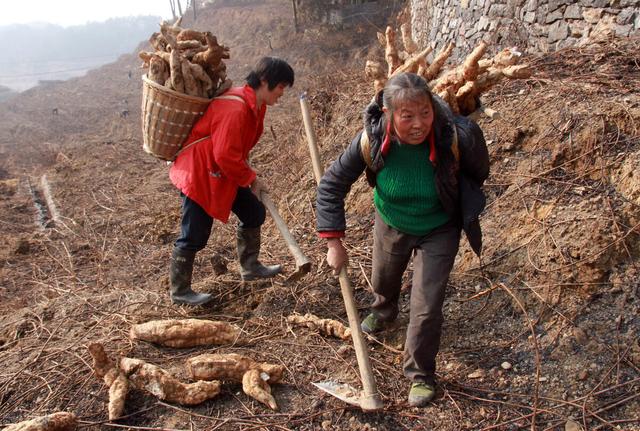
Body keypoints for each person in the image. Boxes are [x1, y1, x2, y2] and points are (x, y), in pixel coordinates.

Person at [316, 73, 489, 407]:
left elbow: (479, 172)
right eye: (406, 116)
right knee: (383, 279)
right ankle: (384, 311)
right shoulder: (371, 137)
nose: (418, 124)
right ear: (388, 114)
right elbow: (332, 184)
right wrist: (334, 242)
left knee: (426, 309)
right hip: (392, 221)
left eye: (424, 113)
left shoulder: (453, 135)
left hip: (439, 226)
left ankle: (420, 374)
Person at [168, 57, 295, 306]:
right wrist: (250, 178)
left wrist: (248, 174)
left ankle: (250, 267)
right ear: (265, 81)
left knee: (253, 211)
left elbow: (235, 151)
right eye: (281, 86)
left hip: (222, 172)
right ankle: (180, 290)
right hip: (200, 172)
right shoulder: (236, 108)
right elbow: (224, 154)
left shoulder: (256, 107)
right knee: (194, 233)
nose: (282, 93)